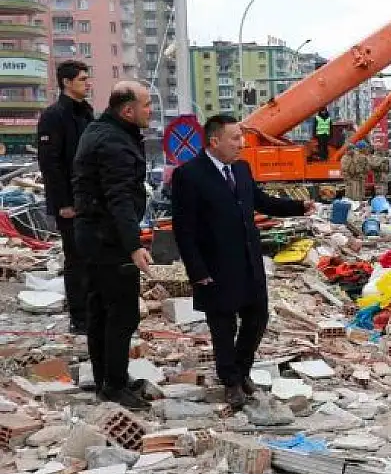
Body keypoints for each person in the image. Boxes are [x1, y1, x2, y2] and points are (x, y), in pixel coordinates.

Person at [171, 115, 315, 409]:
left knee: (257, 318)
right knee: (223, 327)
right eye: (235, 138)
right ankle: (231, 383)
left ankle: (242, 370)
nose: (242, 143)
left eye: (241, 136)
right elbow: (183, 230)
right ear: (214, 141)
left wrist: (298, 206)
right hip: (214, 265)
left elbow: (260, 201)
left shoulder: (241, 168)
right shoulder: (190, 175)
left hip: (248, 259)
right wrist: (196, 271)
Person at [71, 82, 154, 409]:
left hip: (93, 234)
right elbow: (118, 197)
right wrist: (133, 245)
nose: (150, 110)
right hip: (108, 240)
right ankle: (114, 385)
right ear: (127, 110)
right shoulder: (113, 142)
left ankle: (107, 376)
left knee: (100, 311)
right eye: (146, 105)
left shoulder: (102, 130)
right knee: (121, 313)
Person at [36, 59, 94, 334]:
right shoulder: (54, 116)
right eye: (82, 79)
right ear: (67, 82)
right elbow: (51, 164)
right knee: (76, 259)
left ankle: (93, 312)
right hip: (70, 203)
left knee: (93, 258)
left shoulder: (86, 114)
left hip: (91, 200)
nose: (87, 83)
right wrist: (64, 204)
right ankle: (79, 318)